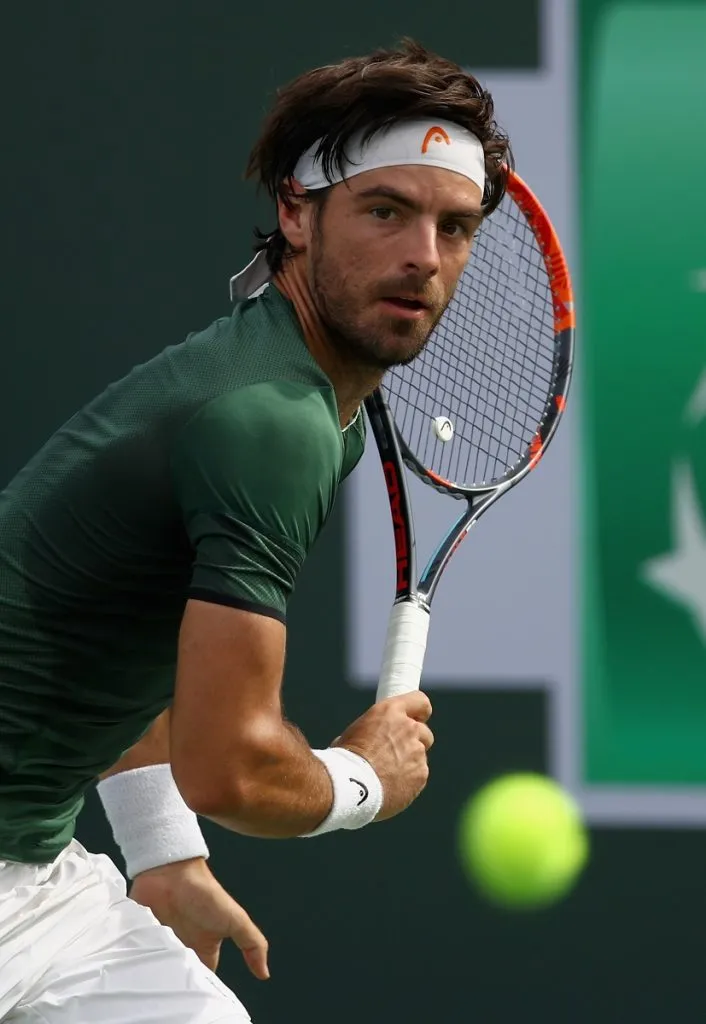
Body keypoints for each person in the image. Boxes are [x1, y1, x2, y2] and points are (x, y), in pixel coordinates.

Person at [0, 38, 511, 1023]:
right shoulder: (269, 422)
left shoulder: (307, 406)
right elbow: (228, 763)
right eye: (385, 210)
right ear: (295, 210)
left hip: (36, 868)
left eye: (455, 227)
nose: (423, 257)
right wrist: (364, 775)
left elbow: (119, 630)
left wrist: (162, 851)